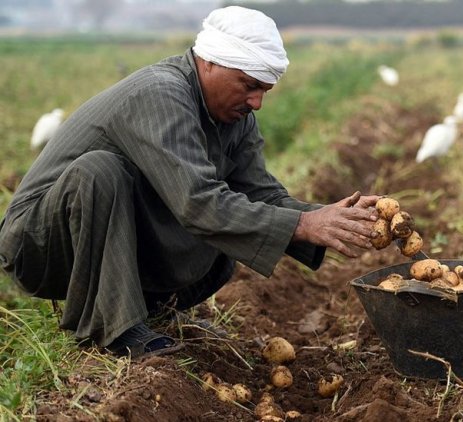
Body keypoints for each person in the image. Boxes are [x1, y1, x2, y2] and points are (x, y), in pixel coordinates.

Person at [0, 6, 381, 358]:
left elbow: (261, 194)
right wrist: (304, 224)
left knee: (233, 231)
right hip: (39, 243)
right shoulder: (161, 92)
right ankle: (114, 329)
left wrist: (329, 217)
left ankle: (150, 311)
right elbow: (197, 203)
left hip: (94, 230)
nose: (257, 103)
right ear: (210, 63)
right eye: (248, 85)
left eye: (264, 91)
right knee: (102, 171)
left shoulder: (235, 119)